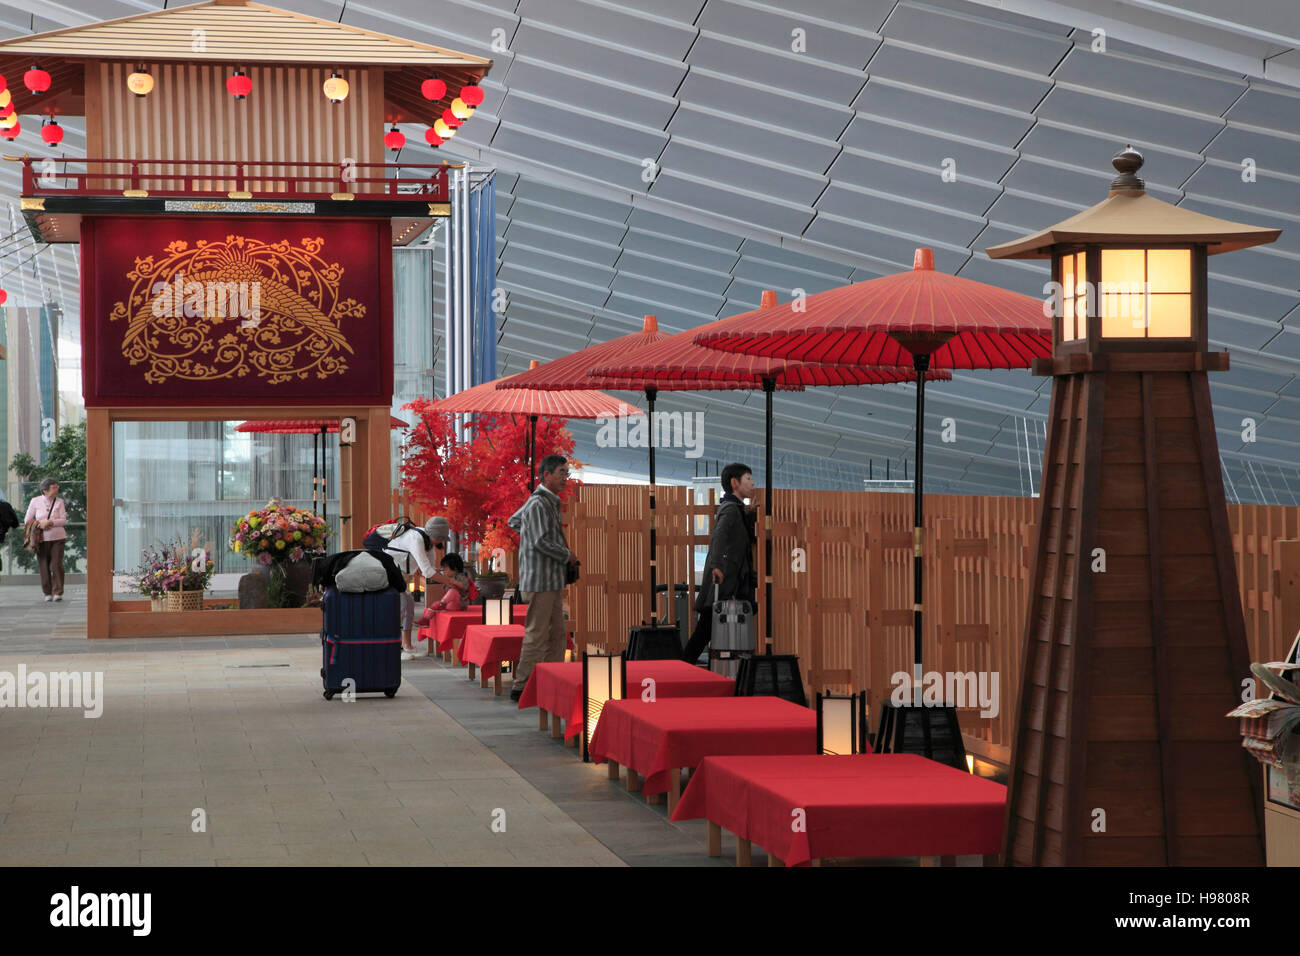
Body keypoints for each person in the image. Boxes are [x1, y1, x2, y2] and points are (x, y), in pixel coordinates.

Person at [507, 454, 577, 701]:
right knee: (537, 633)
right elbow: (539, 541)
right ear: (546, 475)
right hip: (540, 579)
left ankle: (551, 680)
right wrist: (566, 554)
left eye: (566, 473)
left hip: (550, 579)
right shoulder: (538, 504)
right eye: (561, 473)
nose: (564, 478)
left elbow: (514, 521)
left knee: (558, 634)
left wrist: (528, 535)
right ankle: (521, 685)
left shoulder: (544, 501)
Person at [682, 463, 759, 665]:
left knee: (706, 628)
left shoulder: (736, 509)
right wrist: (716, 565)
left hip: (729, 581)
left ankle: (684, 664)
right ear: (735, 483)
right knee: (705, 628)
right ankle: (682, 665)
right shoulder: (730, 510)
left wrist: (748, 514)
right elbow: (718, 537)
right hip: (723, 581)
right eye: (748, 479)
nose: (753, 483)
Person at [381, 516, 452, 661]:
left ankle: (406, 646)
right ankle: (392, 647)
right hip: (389, 570)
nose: (441, 541)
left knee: (409, 605)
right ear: (433, 534)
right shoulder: (416, 538)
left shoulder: (428, 543)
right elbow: (428, 572)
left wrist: (445, 582)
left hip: (400, 573)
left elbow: (431, 570)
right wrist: (452, 582)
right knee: (401, 606)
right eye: (440, 537)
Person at [25, 478, 68, 603]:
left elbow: (63, 520)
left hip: (58, 538)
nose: (57, 489)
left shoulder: (59, 502)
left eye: (57, 487)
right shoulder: (35, 501)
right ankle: (47, 592)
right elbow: (27, 520)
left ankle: (58, 592)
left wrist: (51, 522)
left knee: (56, 564)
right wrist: (39, 524)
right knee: (43, 565)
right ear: (45, 490)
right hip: (41, 539)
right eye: (54, 487)